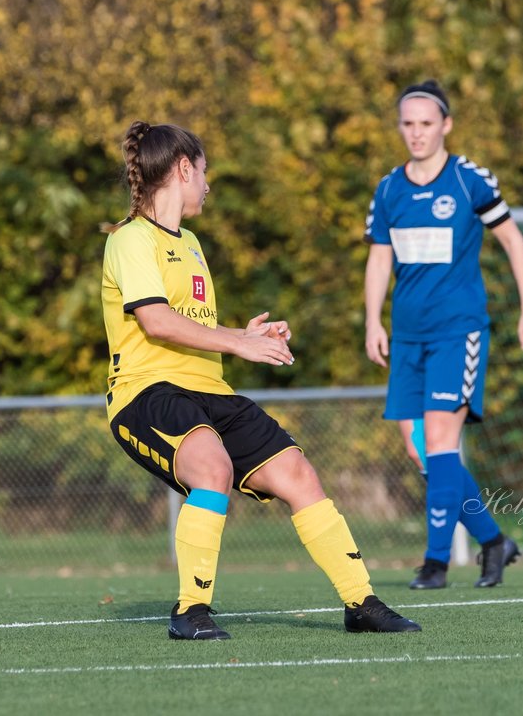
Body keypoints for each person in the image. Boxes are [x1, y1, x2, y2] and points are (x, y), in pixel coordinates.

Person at [102, 120, 421, 639]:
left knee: (299, 473)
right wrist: (240, 341)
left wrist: (244, 333)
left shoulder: (192, 242)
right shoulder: (130, 239)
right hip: (146, 393)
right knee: (212, 468)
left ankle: (360, 602)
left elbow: (193, 327)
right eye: (203, 172)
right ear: (183, 169)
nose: (208, 184)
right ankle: (190, 612)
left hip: (209, 392)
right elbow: (156, 321)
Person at [363, 80, 523, 590]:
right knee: (422, 452)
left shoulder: (469, 181)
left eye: (426, 123)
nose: (416, 133)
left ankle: (436, 563)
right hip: (407, 337)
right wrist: (372, 320)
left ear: (445, 125)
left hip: (458, 331)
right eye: (408, 123)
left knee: (443, 440)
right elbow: (380, 258)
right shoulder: (389, 189)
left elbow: (513, 241)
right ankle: (493, 542)